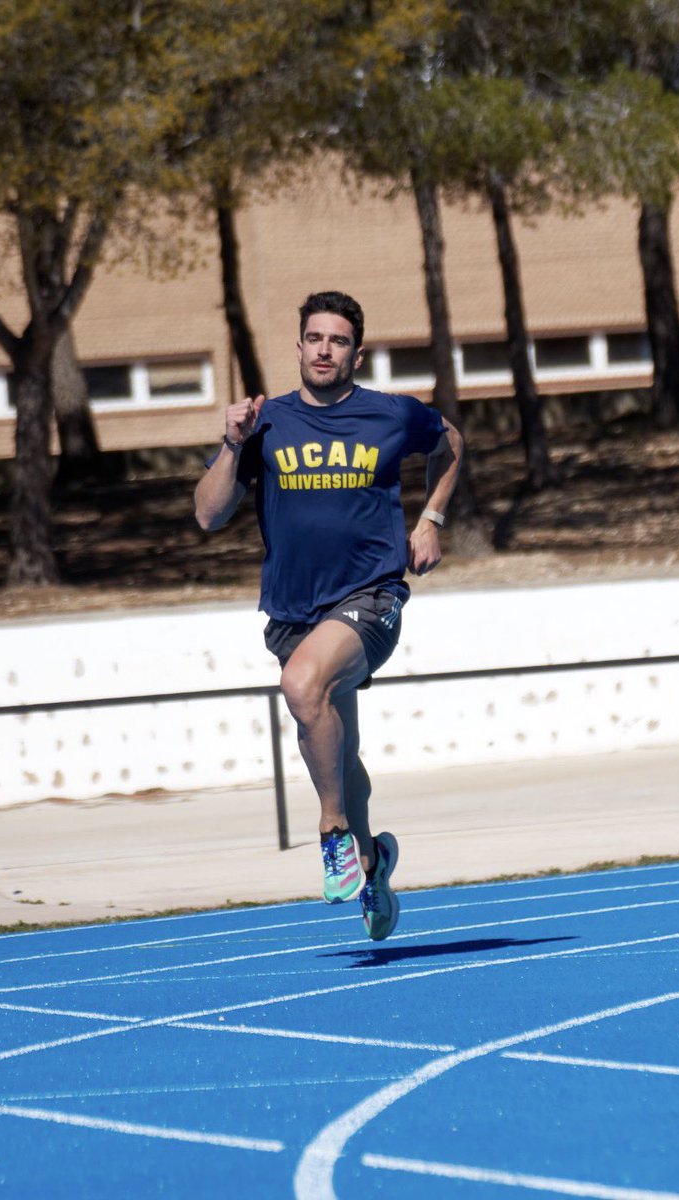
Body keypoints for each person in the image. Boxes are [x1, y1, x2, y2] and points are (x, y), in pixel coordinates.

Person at [194, 290, 463, 940]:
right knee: (339, 752)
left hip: (372, 598)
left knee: (301, 686)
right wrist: (232, 444)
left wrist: (431, 519)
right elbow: (207, 513)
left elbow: (451, 442)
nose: (324, 350)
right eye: (314, 338)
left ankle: (333, 832)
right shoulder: (267, 423)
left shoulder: (391, 415)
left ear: (355, 353)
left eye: (337, 341)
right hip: (294, 610)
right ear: (298, 347)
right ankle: (373, 865)